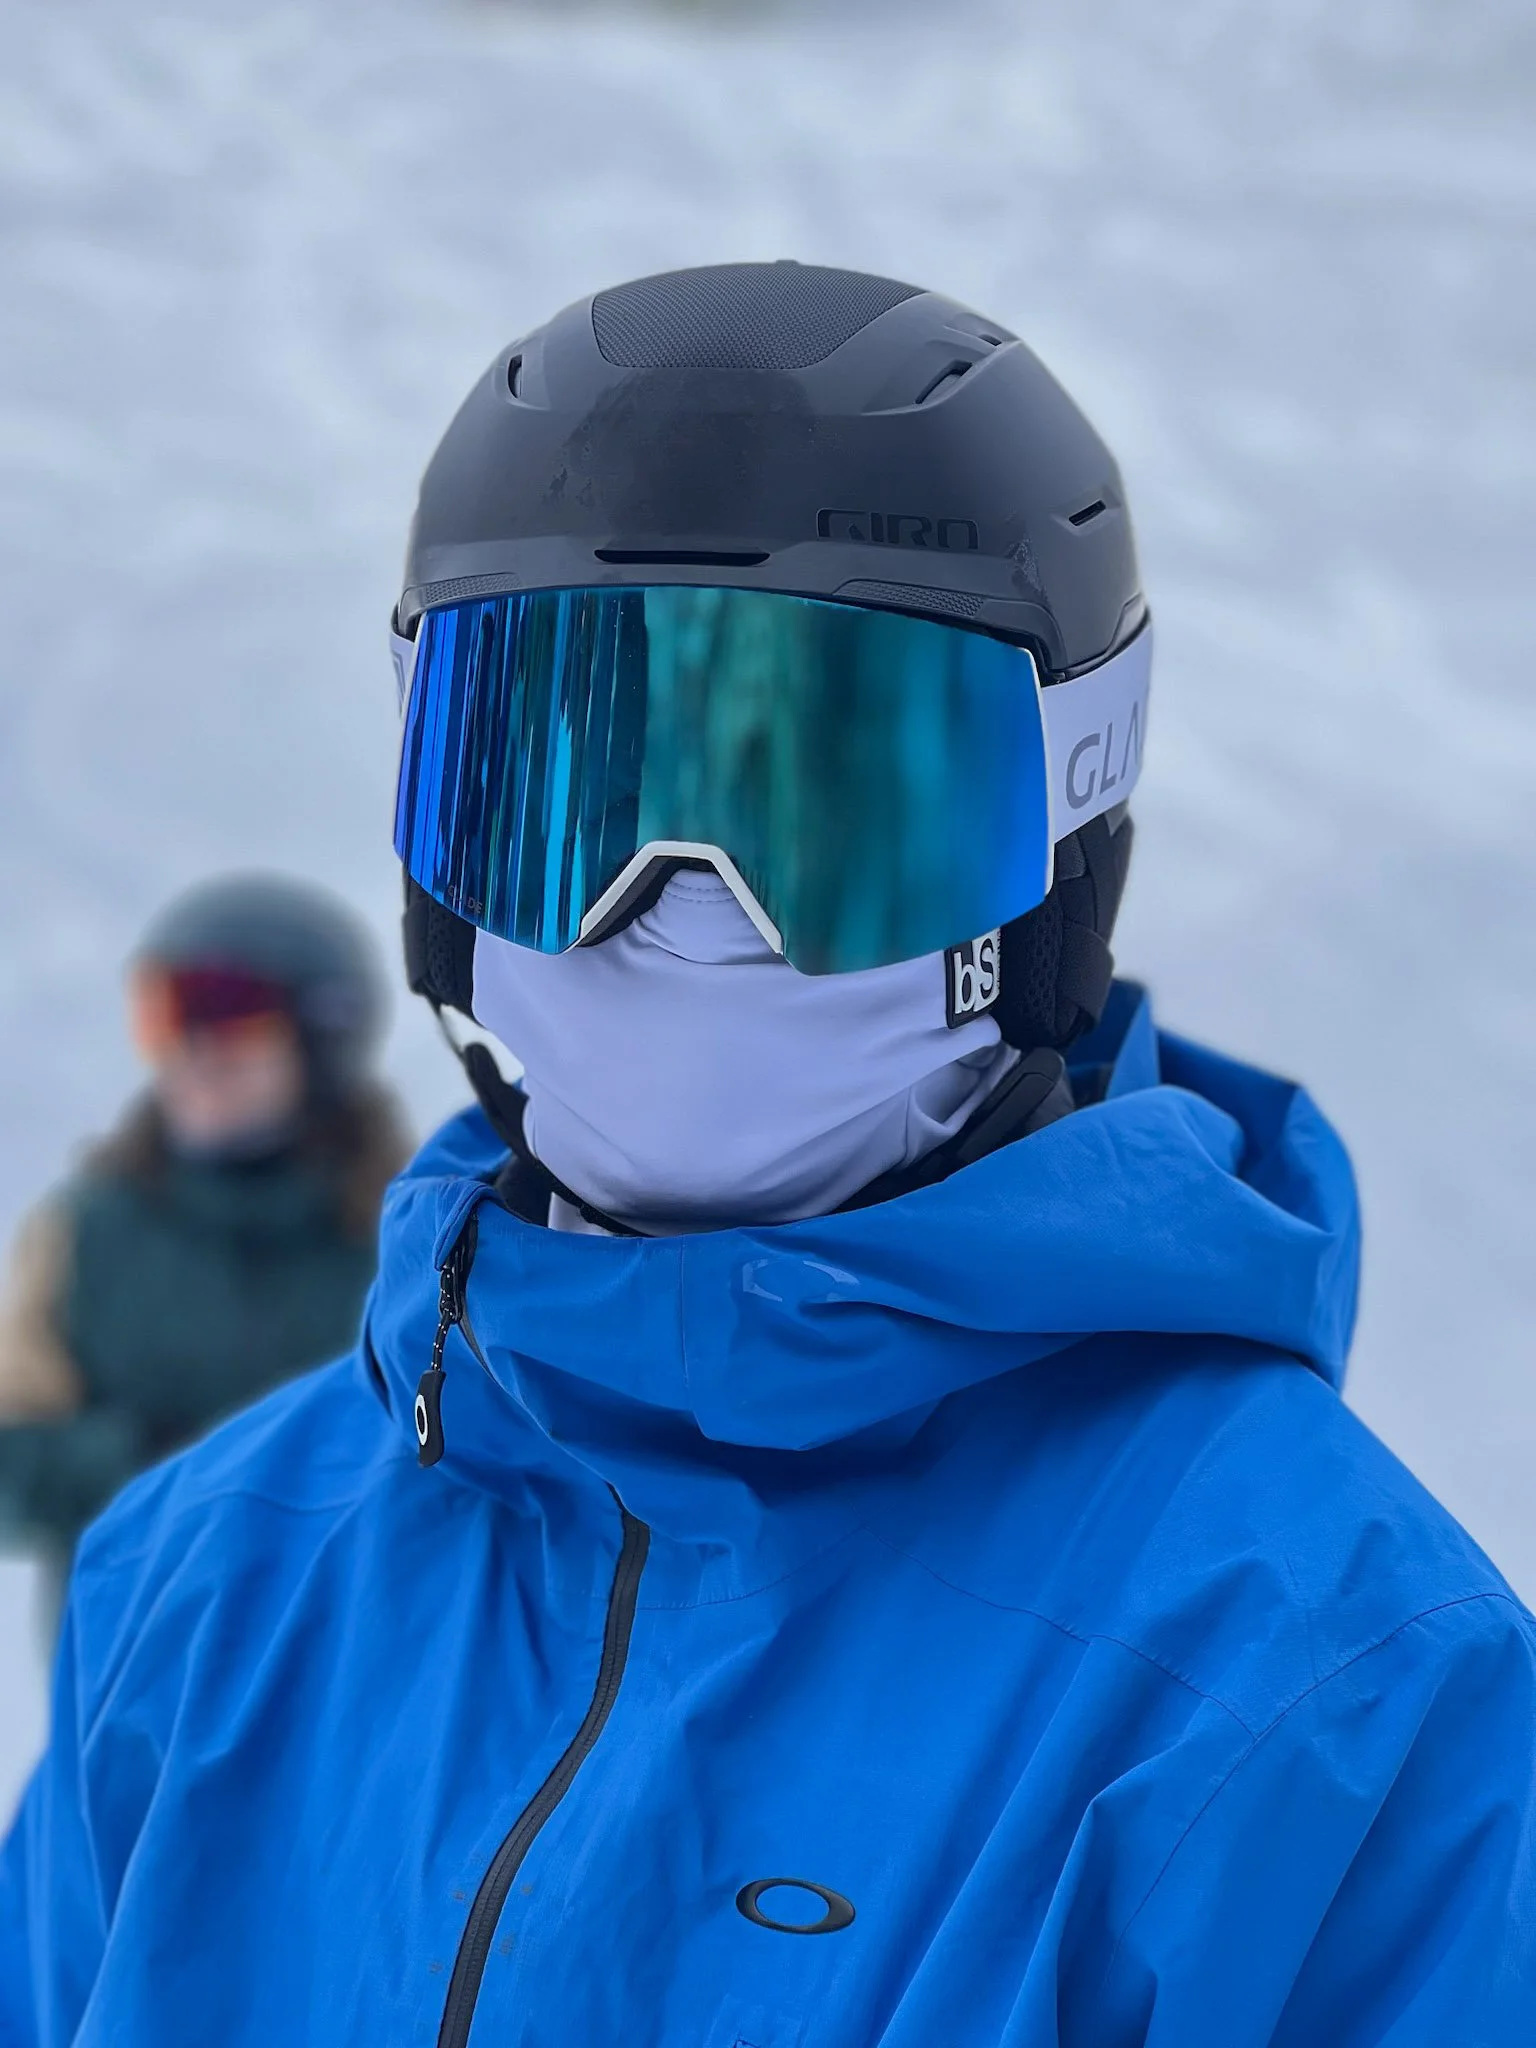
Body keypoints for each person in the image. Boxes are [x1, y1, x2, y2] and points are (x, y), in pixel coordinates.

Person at [3, 262, 1533, 2046]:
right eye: (562, 793)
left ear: (1058, 862)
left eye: (828, 806)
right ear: (437, 866)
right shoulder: (205, 1581)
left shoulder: (1331, 1691)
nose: (677, 917)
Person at [0, 873, 409, 1609]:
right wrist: (156, 1467)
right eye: (165, 1014)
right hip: (134, 1683)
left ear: (322, 1033)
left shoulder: (404, 1241)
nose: (194, 1049)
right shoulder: (87, 1235)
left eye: (227, 1011)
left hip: (350, 1675)